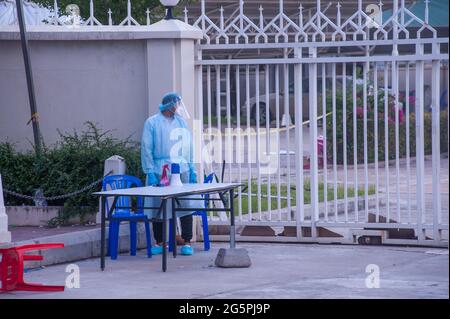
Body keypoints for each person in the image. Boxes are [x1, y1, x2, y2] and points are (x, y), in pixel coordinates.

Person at [141, 92, 197, 256]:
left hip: (180, 168)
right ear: (168, 105)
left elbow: (188, 147)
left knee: (185, 205)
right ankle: (159, 242)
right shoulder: (152, 122)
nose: (177, 107)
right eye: (175, 104)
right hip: (159, 169)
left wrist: (191, 168)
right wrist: (149, 171)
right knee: (158, 206)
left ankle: (187, 241)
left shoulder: (181, 122)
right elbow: (146, 148)